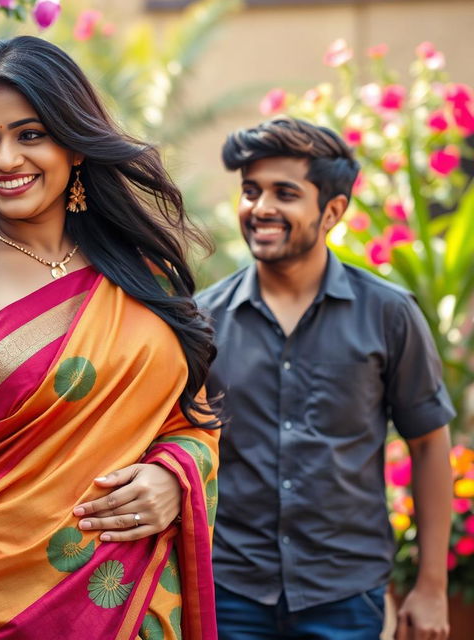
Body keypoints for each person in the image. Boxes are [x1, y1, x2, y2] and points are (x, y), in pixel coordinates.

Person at [0, 36, 219, 640]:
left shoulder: (142, 274)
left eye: (30, 134)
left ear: (75, 144)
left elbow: (194, 420)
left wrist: (172, 476)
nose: (4, 159)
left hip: (134, 602)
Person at [196, 116, 454, 640]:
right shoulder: (202, 322)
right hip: (231, 593)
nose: (261, 208)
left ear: (332, 210)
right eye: (251, 191)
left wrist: (430, 588)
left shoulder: (388, 314)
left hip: (345, 596)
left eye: (284, 193)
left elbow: (429, 446)